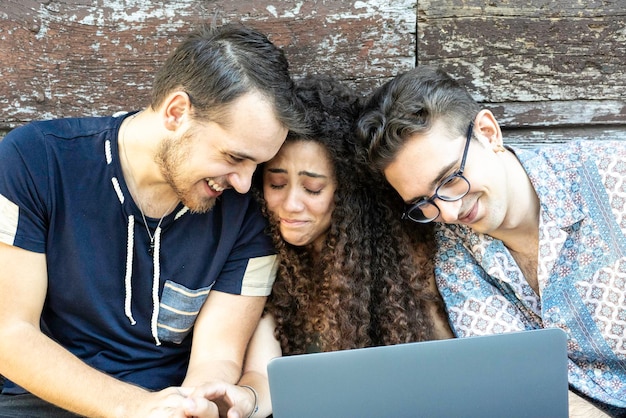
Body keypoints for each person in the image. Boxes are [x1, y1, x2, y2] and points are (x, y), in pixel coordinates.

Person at [0, 23, 304, 418]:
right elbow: (10, 334)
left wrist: (196, 406)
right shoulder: (34, 160)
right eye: (233, 157)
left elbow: (218, 355)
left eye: (257, 165)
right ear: (177, 113)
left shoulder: (245, 209)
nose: (245, 184)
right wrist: (133, 407)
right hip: (37, 402)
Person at [356, 65, 626, 417]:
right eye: (423, 203)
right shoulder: (454, 251)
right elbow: (524, 381)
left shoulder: (613, 176)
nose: (449, 212)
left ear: (488, 132)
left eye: (451, 178)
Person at [202, 75, 452, 417]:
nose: (290, 204)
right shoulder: (271, 257)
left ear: (346, 192)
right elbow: (262, 373)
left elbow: (446, 368)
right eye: (276, 183)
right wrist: (246, 400)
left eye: (313, 189)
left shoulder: (406, 263)